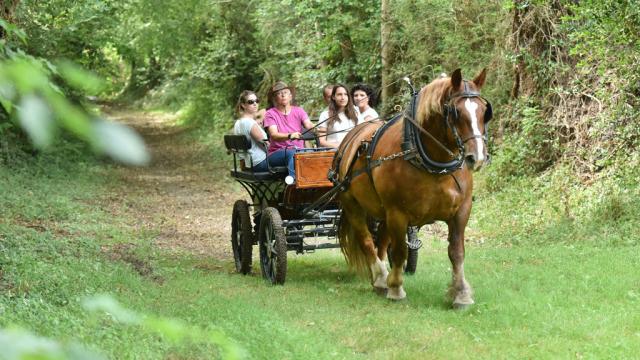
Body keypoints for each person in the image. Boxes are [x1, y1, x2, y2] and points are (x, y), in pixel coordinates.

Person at [263, 81, 314, 184]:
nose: (282, 95)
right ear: (275, 98)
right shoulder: (270, 114)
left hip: (299, 150)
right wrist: (290, 135)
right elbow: (274, 135)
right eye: (279, 93)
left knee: (315, 154)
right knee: (294, 154)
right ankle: (293, 185)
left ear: (290, 96)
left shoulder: (299, 111)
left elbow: (308, 125)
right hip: (277, 153)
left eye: (285, 92)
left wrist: (319, 128)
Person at [233, 90, 269, 171]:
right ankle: (293, 182)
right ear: (243, 105)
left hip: (248, 164)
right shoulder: (250, 123)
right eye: (250, 102)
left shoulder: (238, 123)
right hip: (260, 162)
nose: (255, 103)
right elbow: (266, 145)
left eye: (257, 101)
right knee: (291, 155)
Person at [317, 84, 359, 149]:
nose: (343, 97)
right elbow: (322, 141)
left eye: (345, 94)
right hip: (333, 154)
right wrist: (340, 146)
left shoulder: (355, 113)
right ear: (333, 97)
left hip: (352, 152)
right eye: (339, 94)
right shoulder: (325, 115)